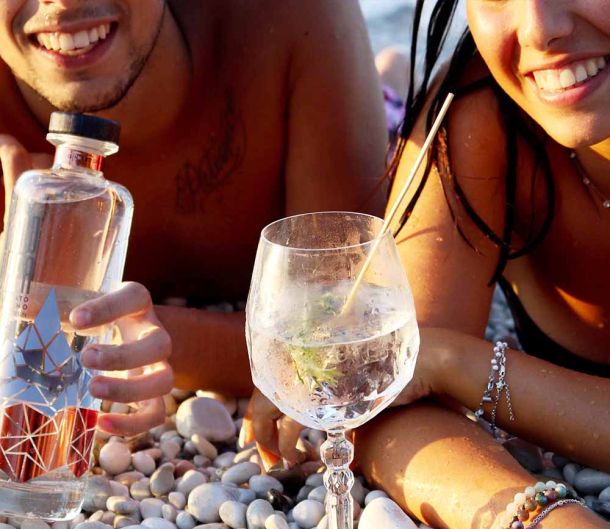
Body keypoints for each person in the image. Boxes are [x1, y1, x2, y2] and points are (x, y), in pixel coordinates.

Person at [246, 1, 610, 529]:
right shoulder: (486, 110)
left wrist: (456, 362)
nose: (540, 28)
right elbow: (385, 410)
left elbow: (415, 367)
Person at [0, 0, 388, 434]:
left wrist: (120, 335)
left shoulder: (296, 22)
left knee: (394, 97)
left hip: (367, 114)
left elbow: (345, 337)